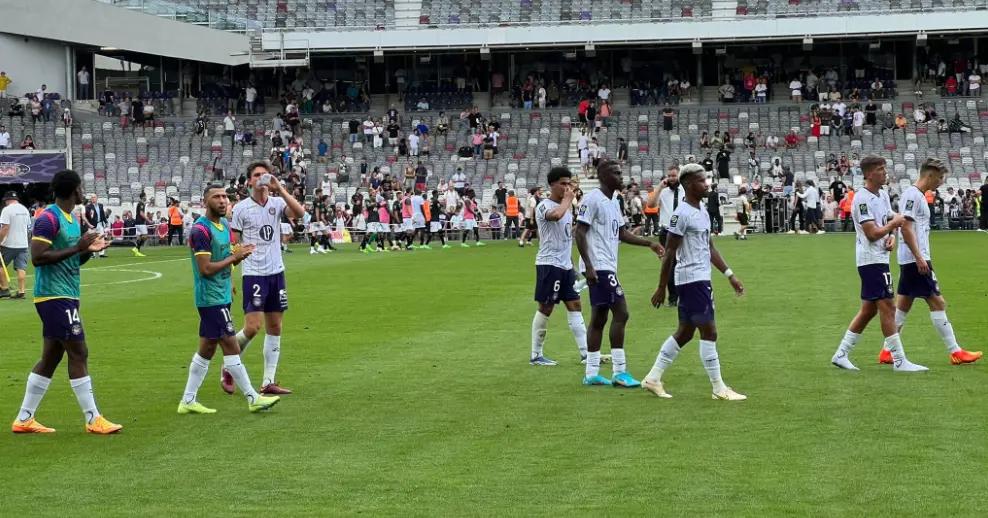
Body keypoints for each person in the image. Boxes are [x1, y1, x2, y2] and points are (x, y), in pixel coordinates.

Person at [11, 169, 121, 434]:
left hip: (66, 294)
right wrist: (79, 247)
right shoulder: (49, 218)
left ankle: (24, 418)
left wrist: (88, 252)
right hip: (54, 296)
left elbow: (71, 256)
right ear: (74, 190)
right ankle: (93, 418)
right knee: (79, 352)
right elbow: (38, 257)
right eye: (81, 188)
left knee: (51, 357)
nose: (82, 192)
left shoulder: (72, 219)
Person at [643, 163, 747, 400]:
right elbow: (669, 252)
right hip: (691, 279)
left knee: (686, 332)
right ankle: (718, 388)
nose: (706, 184)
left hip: (700, 278)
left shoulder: (701, 210)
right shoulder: (682, 214)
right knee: (709, 331)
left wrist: (730, 275)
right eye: (701, 180)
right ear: (689, 185)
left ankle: (653, 377)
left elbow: (709, 247)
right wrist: (661, 287)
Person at [178, 183, 281, 415]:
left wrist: (233, 270)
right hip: (210, 297)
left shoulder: (224, 225)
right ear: (206, 202)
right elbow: (205, 268)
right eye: (217, 197)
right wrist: (235, 257)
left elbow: (224, 258)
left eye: (225, 196)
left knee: (206, 349)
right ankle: (253, 397)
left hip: (222, 293)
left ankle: (188, 400)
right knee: (231, 346)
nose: (223, 200)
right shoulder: (200, 231)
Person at [874, 160, 981, 365]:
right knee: (937, 302)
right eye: (940, 178)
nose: (941, 182)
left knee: (903, 305)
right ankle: (955, 351)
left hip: (911, 258)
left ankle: (887, 351)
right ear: (930, 175)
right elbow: (905, 227)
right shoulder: (913, 195)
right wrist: (919, 257)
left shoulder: (916, 195)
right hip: (916, 259)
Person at [830, 156, 927, 372]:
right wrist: (893, 224)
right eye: (881, 169)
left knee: (868, 310)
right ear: (869, 174)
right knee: (888, 307)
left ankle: (841, 353)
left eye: (884, 168)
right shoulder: (862, 199)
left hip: (879, 259)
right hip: (871, 260)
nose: (885, 172)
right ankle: (899, 360)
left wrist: (892, 233)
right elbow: (872, 233)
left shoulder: (882, 195)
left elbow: (889, 219)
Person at [574, 160, 664, 387]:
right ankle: (619, 371)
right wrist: (589, 265)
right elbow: (580, 232)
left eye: (620, 172)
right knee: (621, 313)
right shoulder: (593, 199)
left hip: (608, 266)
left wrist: (649, 244)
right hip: (599, 266)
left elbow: (621, 233)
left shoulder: (615, 201)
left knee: (600, 317)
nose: (620, 176)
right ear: (603, 176)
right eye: (615, 172)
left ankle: (592, 372)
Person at [224, 161, 306, 396]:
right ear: (249, 180)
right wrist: (230, 275)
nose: (262, 178)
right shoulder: (241, 208)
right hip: (253, 273)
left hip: (276, 272)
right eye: (257, 175)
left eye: (265, 174)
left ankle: (268, 381)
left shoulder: (278, 202)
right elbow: (233, 245)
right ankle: (229, 364)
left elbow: (300, 213)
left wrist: (280, 189)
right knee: (252, 327)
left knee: (275, 326)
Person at [530, 167, 591, 366]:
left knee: (575, 305)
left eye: (569, 183)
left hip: (564, 266)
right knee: (546, 307)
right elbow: (554, 216)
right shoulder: (543, 205)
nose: (567, 187)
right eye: (563, 184)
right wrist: (568, 200)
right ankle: (536, 355)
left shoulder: (567, 207)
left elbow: (566, 236)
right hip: (549, 264)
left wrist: (572, 266)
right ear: (552, 185)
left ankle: (586, 354)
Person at [646, 166, 685, 306]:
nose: (671, 178)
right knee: (669, 265)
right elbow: (650, 205)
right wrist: (659, 187)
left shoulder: (685, 191)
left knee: (684, 263)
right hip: (667, 232)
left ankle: (685, 294)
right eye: (669, 175)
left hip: (682, 232)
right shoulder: (663, 192)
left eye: (674, 175)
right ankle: (673, 298)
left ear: (679, 175)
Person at [0, 191, 31, 299]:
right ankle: (21, 291)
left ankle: (4, 289)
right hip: (23, 244)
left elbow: (5, 228)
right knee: (21, 267)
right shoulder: (24, 209)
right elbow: (28, 227)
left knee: (0, 265)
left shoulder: (6, 210)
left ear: (7, 200)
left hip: (9, 244)